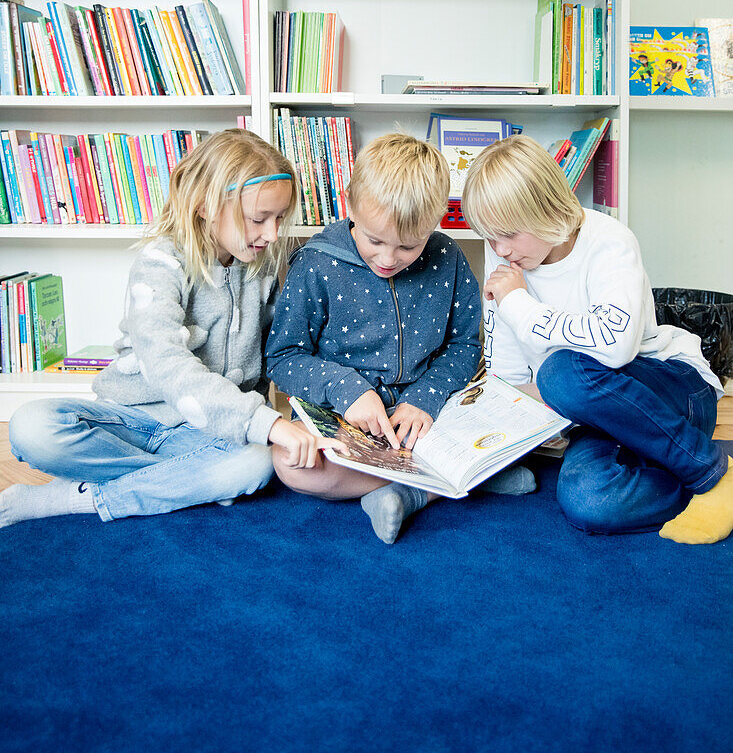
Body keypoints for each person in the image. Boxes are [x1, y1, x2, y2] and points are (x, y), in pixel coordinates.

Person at [1, 128, 339, 529]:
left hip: (209, 433)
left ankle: (91, 495)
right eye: (258, 219)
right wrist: (268, 426)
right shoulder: (161, 262)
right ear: (204, 206)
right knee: (32, 426)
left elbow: (283, 354)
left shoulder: (266, 268)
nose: (272, 233)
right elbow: (166, 364)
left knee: (254, 464)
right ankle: (185, 482)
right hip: (132, 419)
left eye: (280, 218)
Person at [461, 133, 732, 545]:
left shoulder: (608, 241)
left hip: (673, 390)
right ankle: (694, 483)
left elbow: (616, 348)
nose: (499, 250)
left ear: (544, 208)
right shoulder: (506, 257)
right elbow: (510, 379)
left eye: (509, 234)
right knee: (589, 501)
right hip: (594, 414)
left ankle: (711, 472)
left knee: (560, 371)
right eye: (488, 236)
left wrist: (516, 303)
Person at [265, 132, 533, 545]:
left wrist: (425, 398)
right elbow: (283, 357)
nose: (388, 259)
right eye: (374, 240)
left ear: (438, 218)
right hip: (347, 419)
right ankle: (450, 483)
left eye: (409, 246)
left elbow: (464, 346)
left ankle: (417, 488)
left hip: (432, 413)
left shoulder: (447, 258)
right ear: (350, 201)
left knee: (511, 420)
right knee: (290, 463)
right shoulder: (315, 262)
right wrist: (347, 389)